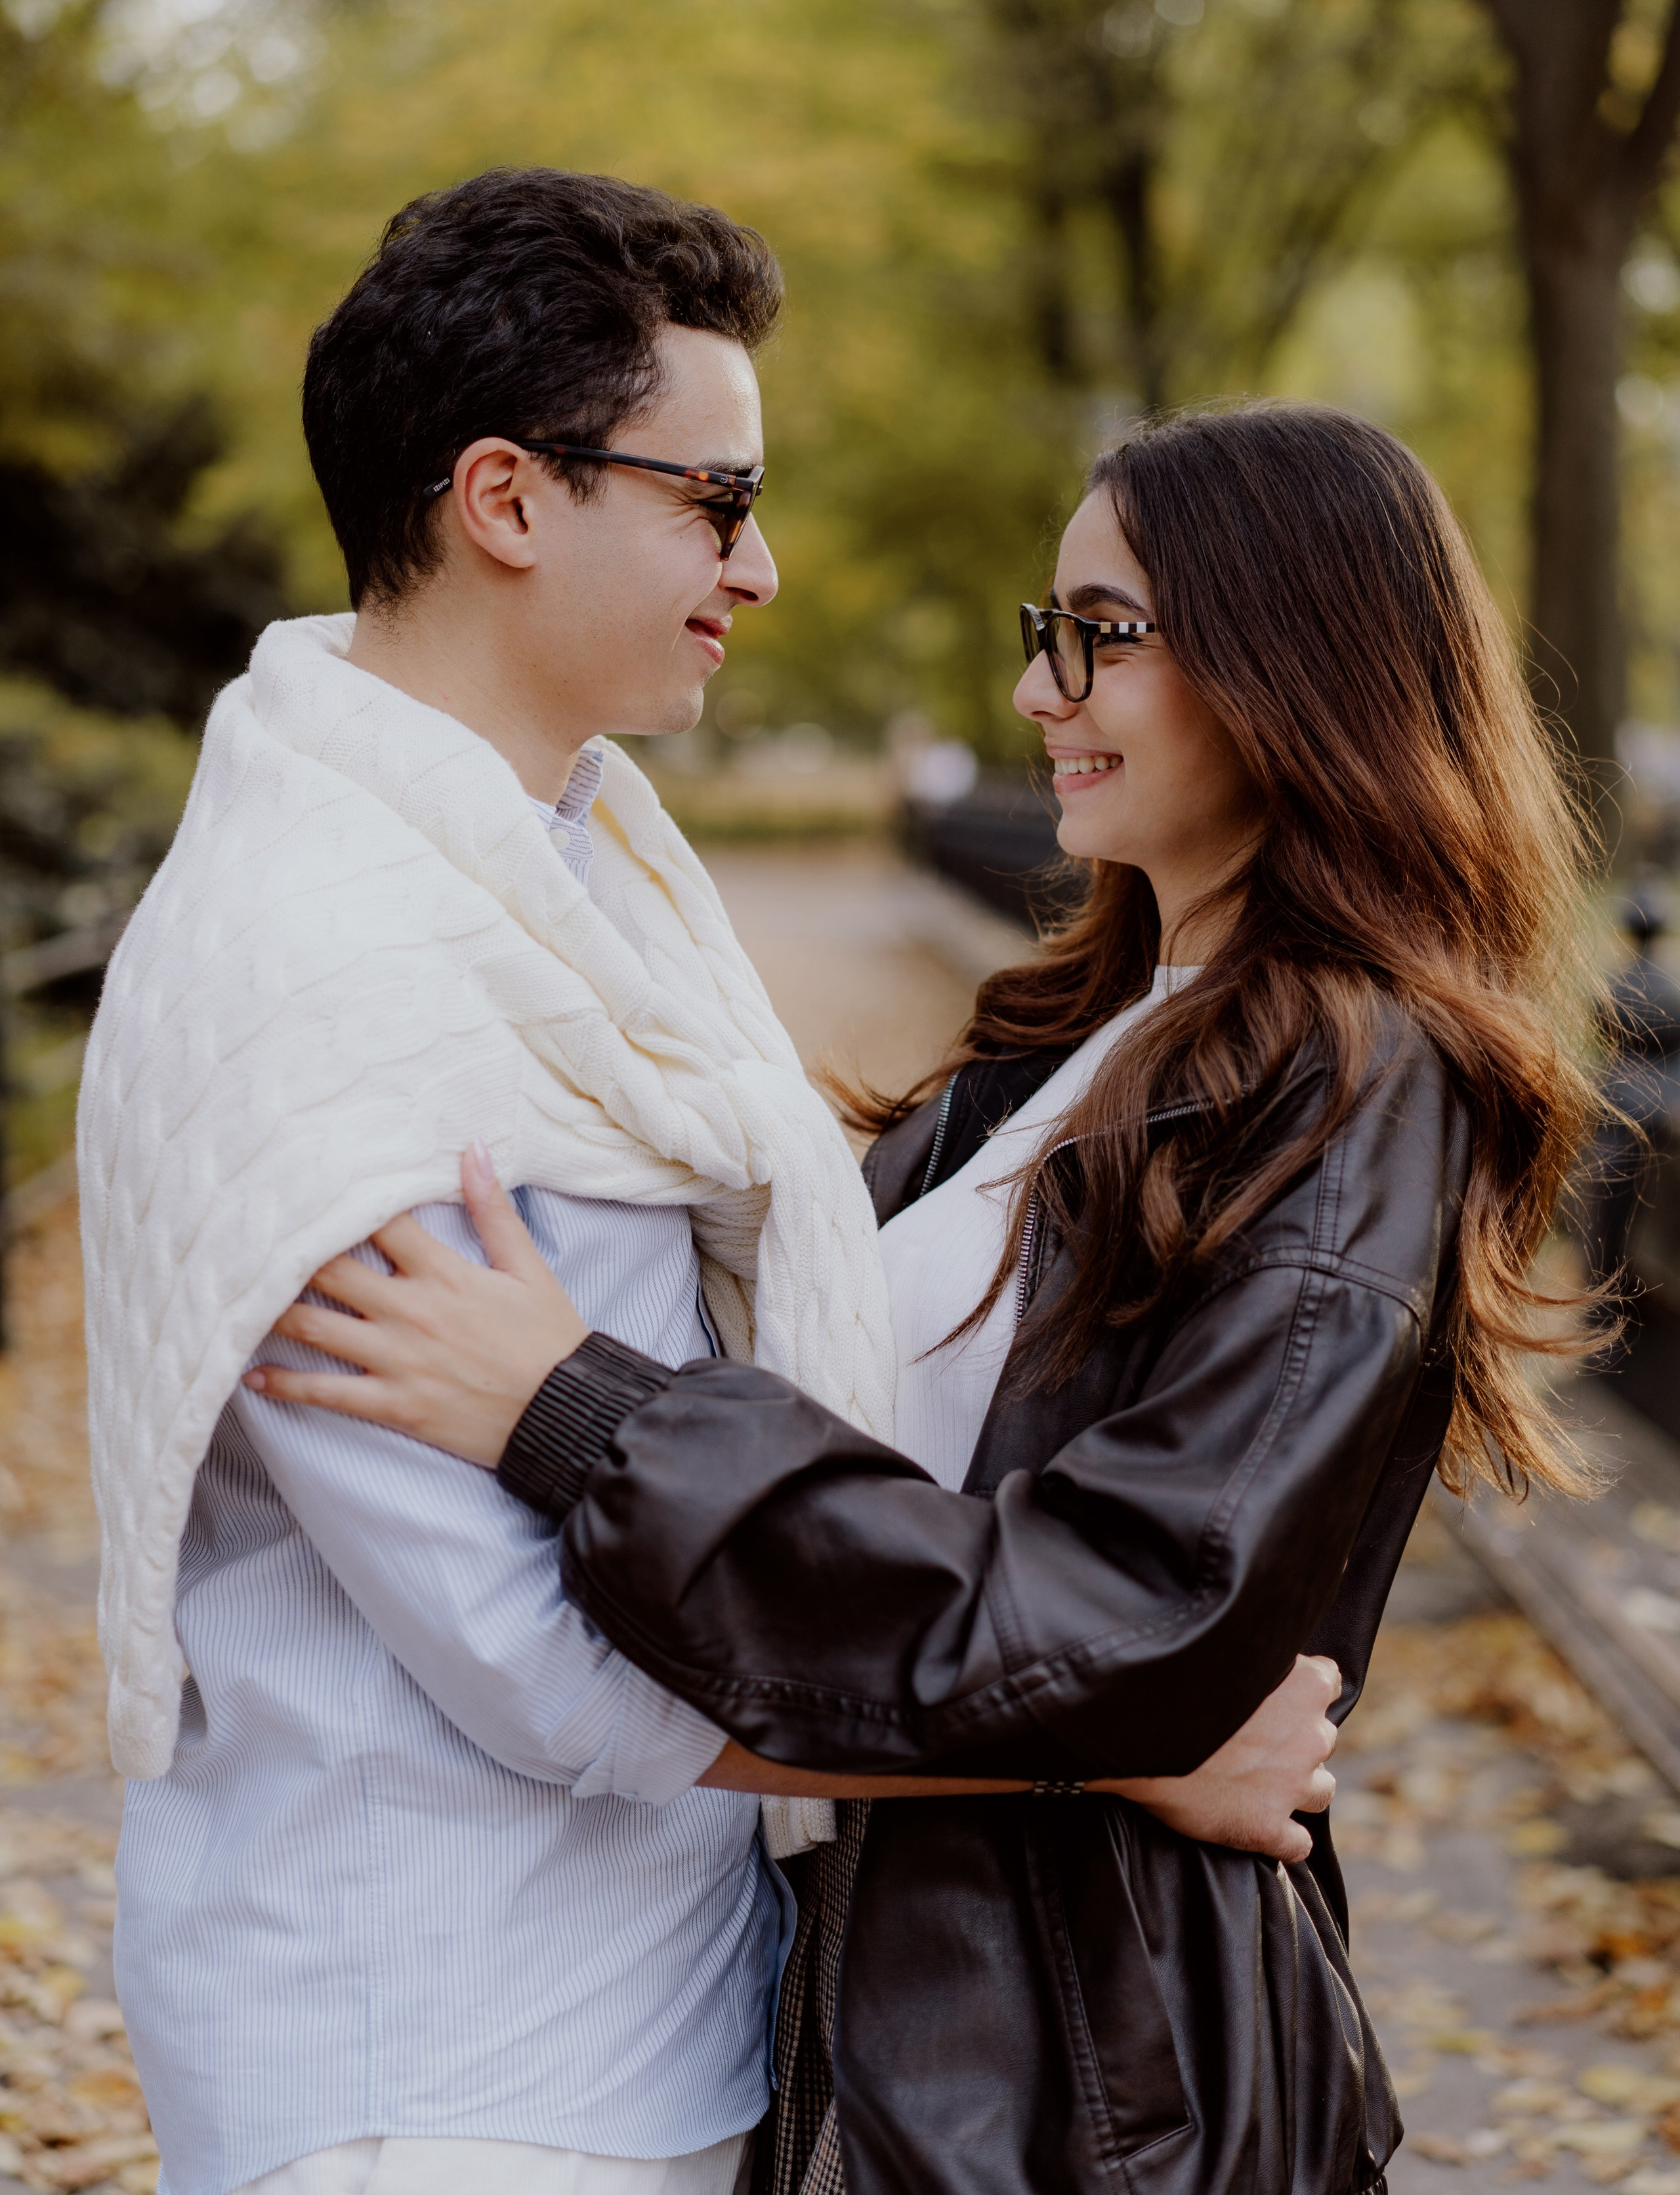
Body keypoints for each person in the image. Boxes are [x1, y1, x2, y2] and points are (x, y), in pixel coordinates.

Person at [77, 173, 1335, 2195]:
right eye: (716, 503)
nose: (759, 569)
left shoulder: (572, 873)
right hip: (437, 2066)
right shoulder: (317, 980)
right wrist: (1111, 1741)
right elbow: (544, 1669)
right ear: (508, 499)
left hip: (643, 2020)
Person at [250, 400, 1608, 2195]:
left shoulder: (1359, 1083)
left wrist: (574, 1415)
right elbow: (1003, 1592)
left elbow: (1134, 1617)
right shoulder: (1062, 1052)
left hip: (1098, 2078)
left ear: (1301, 660)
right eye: (1044, 635)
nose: (1044, 693)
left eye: (1103, 637)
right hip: (916, 2019)